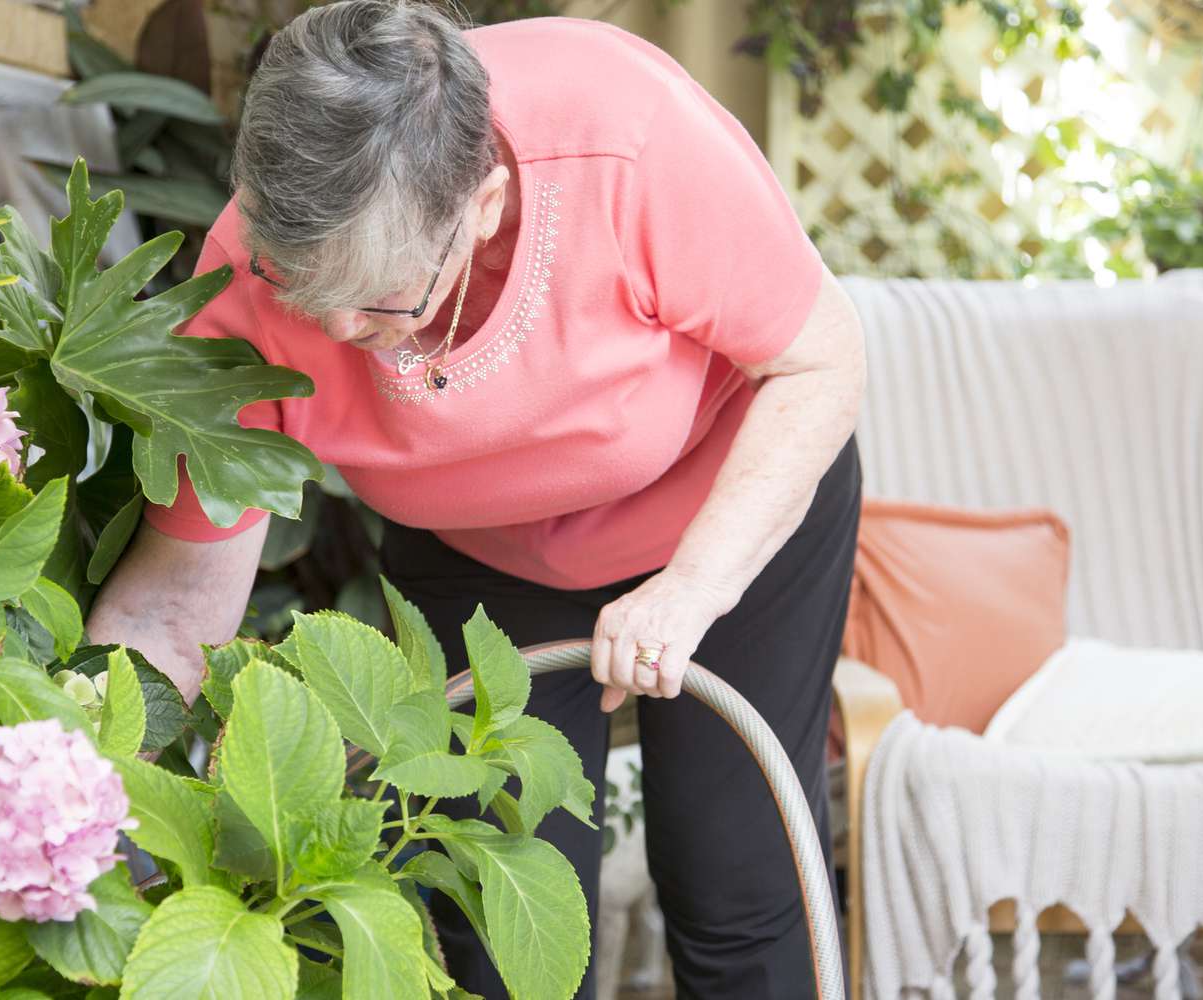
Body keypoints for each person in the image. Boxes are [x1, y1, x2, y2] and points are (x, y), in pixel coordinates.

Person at [86, 2, 865, 997]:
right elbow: (170, 609)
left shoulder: (628, 144)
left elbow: (822, 360)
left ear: (485, 205)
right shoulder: (248, 281)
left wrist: (693, 587)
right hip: (482, 552)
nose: (328, 328)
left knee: (733, 875)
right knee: (501, 913)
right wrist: (78, 790)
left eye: (378, 302)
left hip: (724, 507)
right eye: (299, 289)